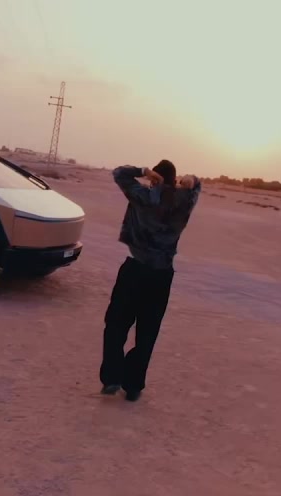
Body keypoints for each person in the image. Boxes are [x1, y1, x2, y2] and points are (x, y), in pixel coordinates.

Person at [99, 159, 202, 401]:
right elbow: (196, 186)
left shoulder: (143, 196)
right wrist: (190, 179)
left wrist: (143, 171)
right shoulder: (184, 201)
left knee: (116, 325)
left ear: (156, 178)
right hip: (162, 275)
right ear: (174, 180)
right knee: (147, 332)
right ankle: (133, 385)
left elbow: (119, 173)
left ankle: (112, 378)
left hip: (135, 270)